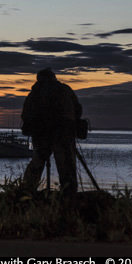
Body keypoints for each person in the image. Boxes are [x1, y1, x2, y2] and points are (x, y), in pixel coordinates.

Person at [21, 67, 82, 200]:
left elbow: (25, 115)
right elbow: (77, 109)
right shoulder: (65, 90)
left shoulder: (34, 93)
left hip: (41, 134)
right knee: (66, 164)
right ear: (54, 77)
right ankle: (69, 195)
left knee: (37, 162)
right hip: (63, 133)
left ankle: (27, 192)